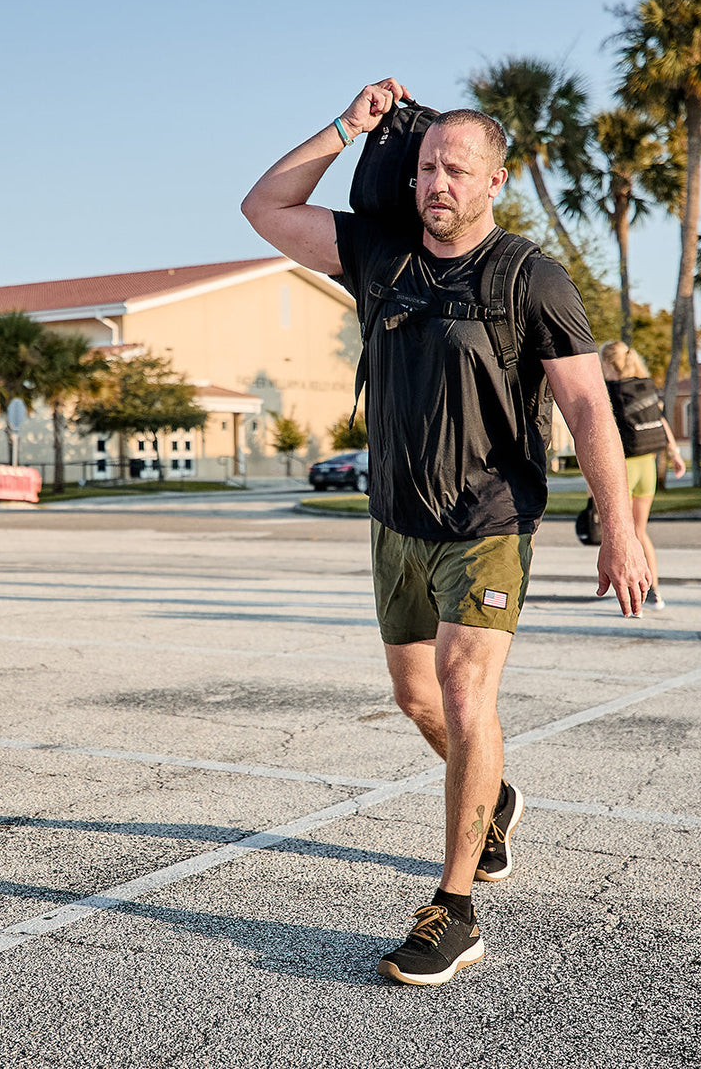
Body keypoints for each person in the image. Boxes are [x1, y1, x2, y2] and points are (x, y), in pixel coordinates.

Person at [241, 78, 650, 986]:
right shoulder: (378, 254)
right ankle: (492, 794)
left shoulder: (528, 277)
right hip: (397, 522)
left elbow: (587, 405)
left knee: (468, 697)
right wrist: (347, 126)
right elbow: (264, 206)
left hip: (488, 522)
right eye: (428, 165)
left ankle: (454, 911)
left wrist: (618, 526)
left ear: (495, 181)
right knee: (417, 701)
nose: (438, 182)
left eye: (458, 169)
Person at [599, 340, 687, 610]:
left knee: (622, 535)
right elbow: (660, 420)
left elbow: (602, 433)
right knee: (640, 531)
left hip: (623, 467)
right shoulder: (645, 385)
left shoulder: (610, 391)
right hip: (647, 466)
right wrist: (675, 453)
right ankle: (654, 592)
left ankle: (631, 599)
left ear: (607, 363)